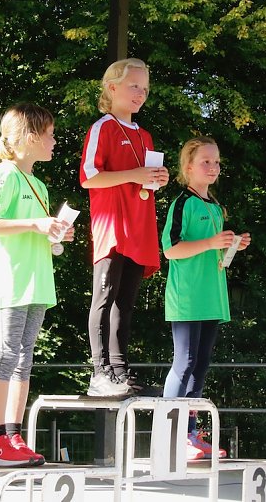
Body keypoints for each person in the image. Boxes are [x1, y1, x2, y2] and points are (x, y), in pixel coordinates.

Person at [0, 103, 75, 467]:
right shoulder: (3, 175)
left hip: (37, 280)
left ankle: (13, 435)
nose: (53, 140)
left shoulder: (39, 184)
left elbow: (43, 235)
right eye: (48, 133)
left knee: (24, 357)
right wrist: (36, 224)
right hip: (10, 279)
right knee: (6, 354)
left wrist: (55, 233)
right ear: (29, 136)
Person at [79, 58, 169, 397]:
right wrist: (134, 175)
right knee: (104, 296)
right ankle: (99, 371)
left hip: (139, 228)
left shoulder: (144, 135)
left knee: (126, 302)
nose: (140, 94)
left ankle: (119, 369)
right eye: (134, 86)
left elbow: (144, 179)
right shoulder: (103, 127)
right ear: (112, 87)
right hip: (112, 227)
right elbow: (89, 177)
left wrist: (157, 178)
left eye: (145, 89)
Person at [161, 136, 250, 460]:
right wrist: (213, 242)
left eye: (216, 162)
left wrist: (231, 245)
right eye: (205, 162)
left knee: (200, 366)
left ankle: (190, 434)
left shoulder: (215, 206)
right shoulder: (182, 202)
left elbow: (212, 250)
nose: (213, 167)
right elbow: (170, 249)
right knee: (183, 363)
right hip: (186, 297)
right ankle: (169, 435)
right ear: (188, 167)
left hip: (212, 297)